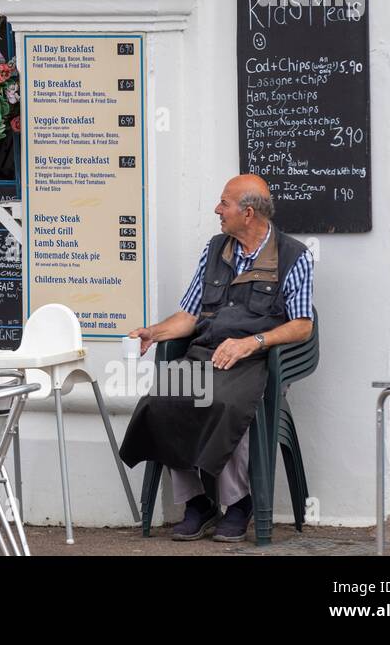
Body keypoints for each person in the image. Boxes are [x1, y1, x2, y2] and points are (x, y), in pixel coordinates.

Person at [118, 174, 313, 541]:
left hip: (253, 360)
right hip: (204, 354)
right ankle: (198, 504)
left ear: (249, 213)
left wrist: (254, 342)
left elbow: (302, 325)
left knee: (226, 404)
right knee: (163, 400)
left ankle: (239, 503)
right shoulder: (215, 250)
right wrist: (153, 332)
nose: (217, 210)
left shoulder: (294, 256)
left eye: (224, 203)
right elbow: (190, 314)